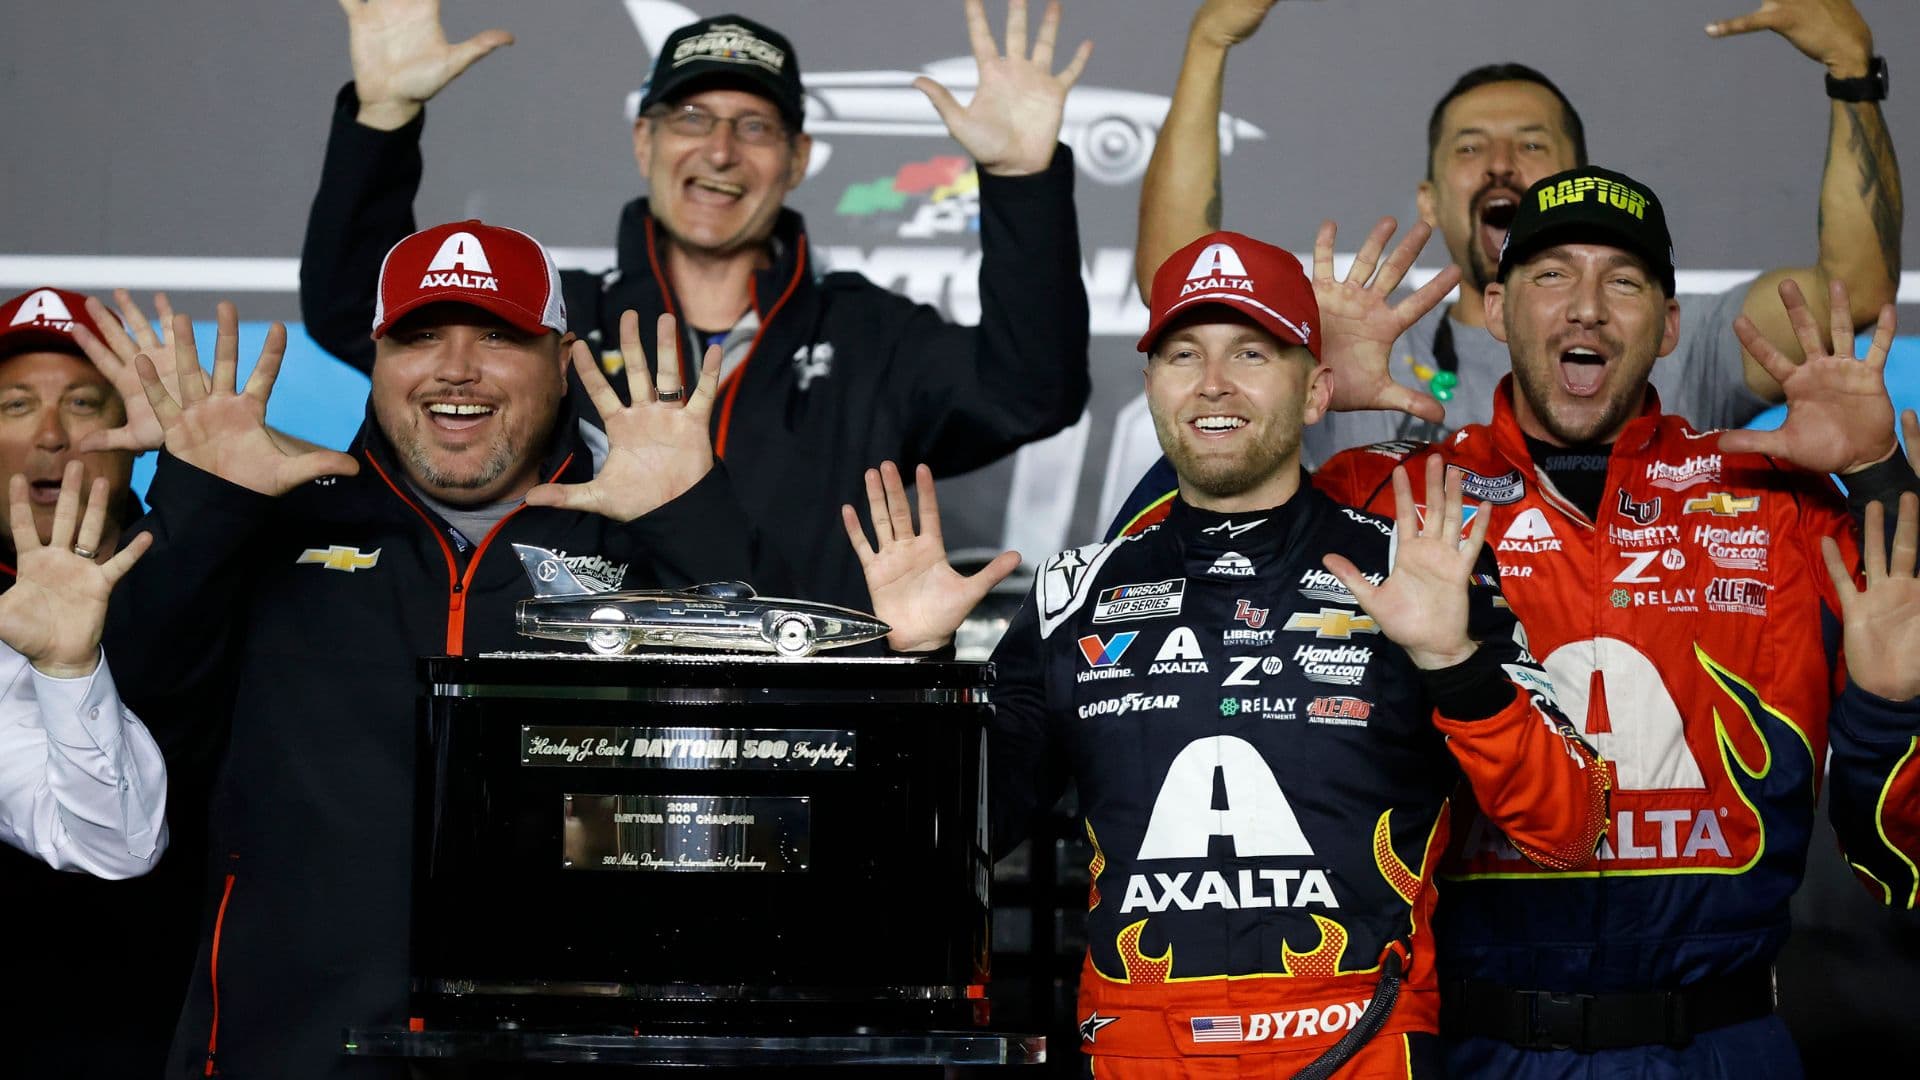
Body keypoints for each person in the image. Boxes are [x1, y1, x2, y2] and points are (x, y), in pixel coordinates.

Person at [844, 231, 1611, 1077]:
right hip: (1138, 1051)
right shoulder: (1074, 593)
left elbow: (1570, 829)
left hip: (1361, 1049)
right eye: (1183, 354)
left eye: (1252, 351)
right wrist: (918, 669)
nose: (1213, 383)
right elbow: (952, 846)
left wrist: (1452, 658)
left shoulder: (1417, 574)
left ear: (1317, 390)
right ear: (1151, 388)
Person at [101, 220, 791, 1079]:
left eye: (498, 335)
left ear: (563, 358)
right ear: (377, 358)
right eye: (419, 336)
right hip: (288, 1054)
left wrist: (692, 523)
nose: (455, 368)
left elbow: (778, 775)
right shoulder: (265, 524)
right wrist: (202, 507)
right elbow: (125, 729)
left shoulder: (652, 543)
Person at [1307, 166, 1920, 1076]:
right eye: (1552, 274)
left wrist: (1878, 473)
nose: (1587, 307)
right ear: (1496, 309)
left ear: (1668, 327)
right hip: (1478, 1049)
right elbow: (1180, 585)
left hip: (1721, 1047)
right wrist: (1297, 399)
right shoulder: (1387, 494)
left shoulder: (1779, 504)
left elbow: (1899, 855)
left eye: (1624, 281)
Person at [300, 0, 1094, 612]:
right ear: (644, 141)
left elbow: (1031, 390)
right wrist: (382, 120)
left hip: (810, 740)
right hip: (584, 737)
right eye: (691, 118)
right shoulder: (558, 320)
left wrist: (1023, 181)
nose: (719, 151)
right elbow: (356, 313)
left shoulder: (868, 335)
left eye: (754, 126)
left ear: (798, 159)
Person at [1111, 0, 1902, 527]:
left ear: (1581, 182)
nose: (1499, 166)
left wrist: (1852, 72)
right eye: (1469, 149)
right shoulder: (1346, 353)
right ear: (1429, 199)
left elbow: (1856, 289)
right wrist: (1209, 43)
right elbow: (1180, 283)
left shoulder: (1661, 336)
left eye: (1531, 145)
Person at [0, 286, 208, 1080]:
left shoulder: (220, 559)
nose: (51, 435)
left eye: (85, 402)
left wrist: (201, 454)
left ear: (136, 435)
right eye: (16, 404)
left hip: (207, 1033)